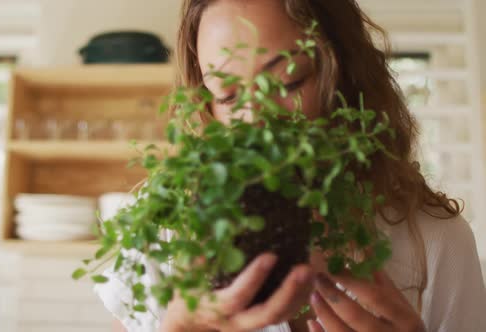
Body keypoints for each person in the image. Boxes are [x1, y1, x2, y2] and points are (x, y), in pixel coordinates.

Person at [95, 0, 486, 331]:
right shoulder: (165, 229)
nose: (256, 122)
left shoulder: (435, 242)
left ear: (346, 78)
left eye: (288, 82)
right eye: (229, 95)